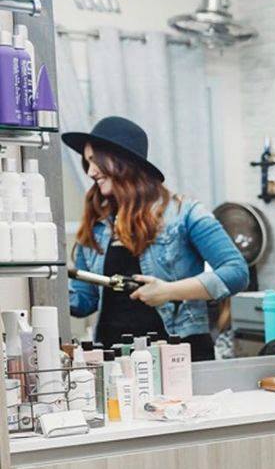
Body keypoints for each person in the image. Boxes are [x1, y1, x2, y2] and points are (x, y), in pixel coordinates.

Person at [65, 116, 248, 361]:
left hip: (178, 357)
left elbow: (236, 272)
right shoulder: (97, 225)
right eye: (87, 163)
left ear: (122, 160)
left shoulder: (185, 214)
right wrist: (48, 276)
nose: (90, 172)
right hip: (116, 360)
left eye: (94, 161)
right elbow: (84, 301)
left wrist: (168, 291)